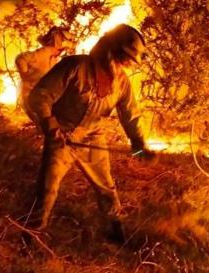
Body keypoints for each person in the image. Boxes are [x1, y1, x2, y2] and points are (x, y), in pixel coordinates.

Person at [26, 24, 154, 243]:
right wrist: (51, 127)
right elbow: (40, 96)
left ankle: (116, 232)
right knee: (47, 189)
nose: (125, 64)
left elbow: (130, 115)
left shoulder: (121, 83)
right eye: (124, 57)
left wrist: (139, 144)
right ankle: (31, 235)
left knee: (107, 188)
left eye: (128, 60)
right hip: (62, 137)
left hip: (93, 137)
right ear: (111, 50)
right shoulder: (75, 66)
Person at [15, 27, 73, 121]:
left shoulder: (52, 58)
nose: (63, 51)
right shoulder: (44, 53)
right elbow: (20, 59)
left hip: (42, 97)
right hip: (32, 97)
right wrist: (27, 77)